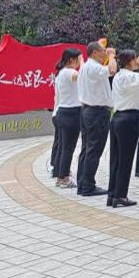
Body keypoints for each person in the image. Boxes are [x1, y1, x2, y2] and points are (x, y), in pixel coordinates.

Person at [107, 50, 139, 207]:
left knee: (115, 158)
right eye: (135, 59)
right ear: (130, 61)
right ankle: (121, 195)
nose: (137, 62)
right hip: (129, 118)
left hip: (117, 117)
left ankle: (112, 194)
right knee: (126, 159)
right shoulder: (132, 76)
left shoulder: (119, 76)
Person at [76, 42, 117, 197]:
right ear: (94, 53)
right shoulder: (93, 67)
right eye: (102, 53)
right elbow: (112, 70)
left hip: (88, 110)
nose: (105, 55)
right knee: (94, 150)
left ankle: (82, 183)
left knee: (87, 149)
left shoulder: (86, 67)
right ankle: (88, 185)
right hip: (97, 112)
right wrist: (112, 54)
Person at [52, 48, 83, 189]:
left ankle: (60, 176)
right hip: (71, 113)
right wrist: (83, 63)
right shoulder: (69, 72)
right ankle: (63, 178)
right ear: (71, 60)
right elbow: (82, 76)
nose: (79, 62)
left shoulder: (60, 74)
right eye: (78, 59)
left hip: (63, 112)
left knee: (64, 148)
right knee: (68, 148)